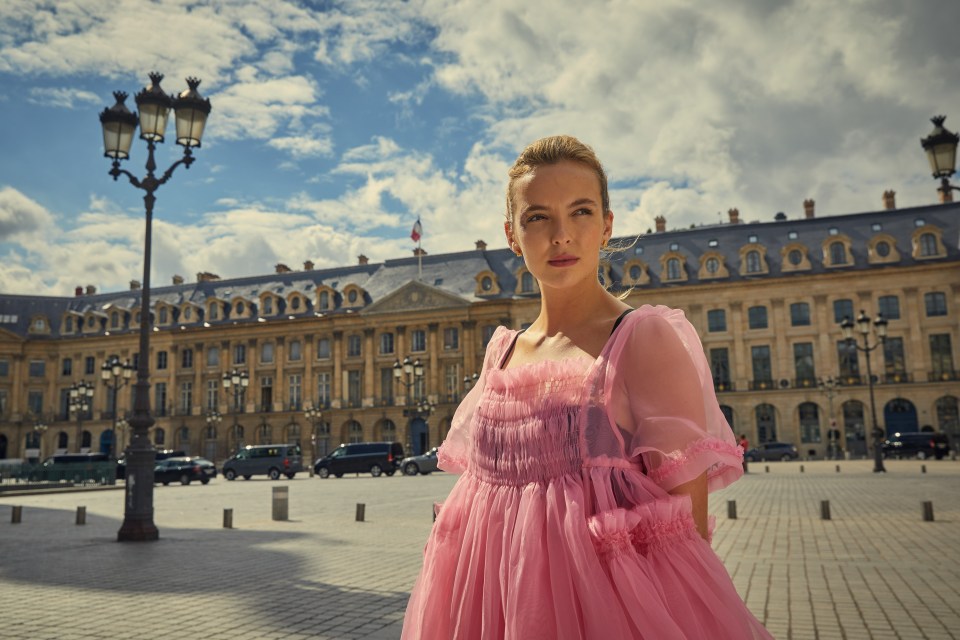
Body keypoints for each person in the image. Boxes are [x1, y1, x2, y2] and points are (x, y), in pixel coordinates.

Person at [401, 135, 771, 639]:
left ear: (606, 225)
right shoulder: (501, 352)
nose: (561, 235)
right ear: (512, 235)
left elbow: (689, 533)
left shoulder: (642, 339)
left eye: (580, 212)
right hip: (491, 607)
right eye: (538, 217)